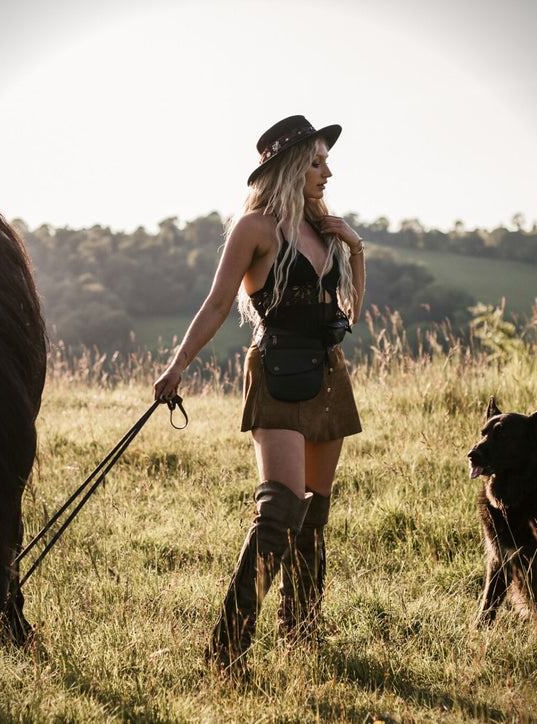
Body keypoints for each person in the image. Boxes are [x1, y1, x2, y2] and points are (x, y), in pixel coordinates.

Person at [153, 115, 365, 674]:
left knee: (314, 514)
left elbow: (352, 314)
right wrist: (177, 366)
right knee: (280, 510)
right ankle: (227, 650)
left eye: (326, 161)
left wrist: (355, 247)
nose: (327, 172)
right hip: (278, 372)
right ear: (291, 168)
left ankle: (302, 635)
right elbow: (219, 303)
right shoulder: (255, 228)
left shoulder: (324, 229)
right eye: (316, 162)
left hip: (327, 372)